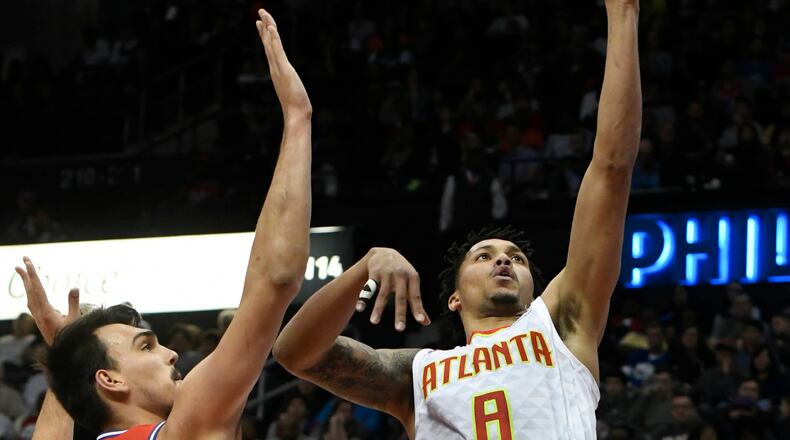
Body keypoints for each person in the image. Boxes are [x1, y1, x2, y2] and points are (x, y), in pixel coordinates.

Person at [273, 1, 642, 438]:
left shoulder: (559, 326)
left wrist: (623, 14)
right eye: (484, 256)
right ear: (453, 299)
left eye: (517, 259)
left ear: (533, 291)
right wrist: (363, 267)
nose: (504, 260)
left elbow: (611, 169)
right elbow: (295, 353)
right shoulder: (418, 373)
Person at [14, 8, 313, 439]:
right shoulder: (184, 429)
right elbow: (276, 278)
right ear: (110, 379)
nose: (171, 354)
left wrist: (67, 351)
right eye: (146, 346)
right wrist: (297, 118)